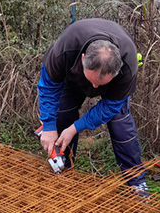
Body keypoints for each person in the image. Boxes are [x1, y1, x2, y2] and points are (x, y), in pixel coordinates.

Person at [37, 18, 148, 194]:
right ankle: (63, 166)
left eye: (100, 83)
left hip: (113, 89)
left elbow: (110, 107)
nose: (95, 87)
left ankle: (136, 181)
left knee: (120, 125)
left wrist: (75, 128)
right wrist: (49, 126)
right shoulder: (66, 47)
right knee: (62, 114)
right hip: (73, 79)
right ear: (83, 59)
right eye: (92, 80)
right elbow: (48, 88)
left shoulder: (127, 64)